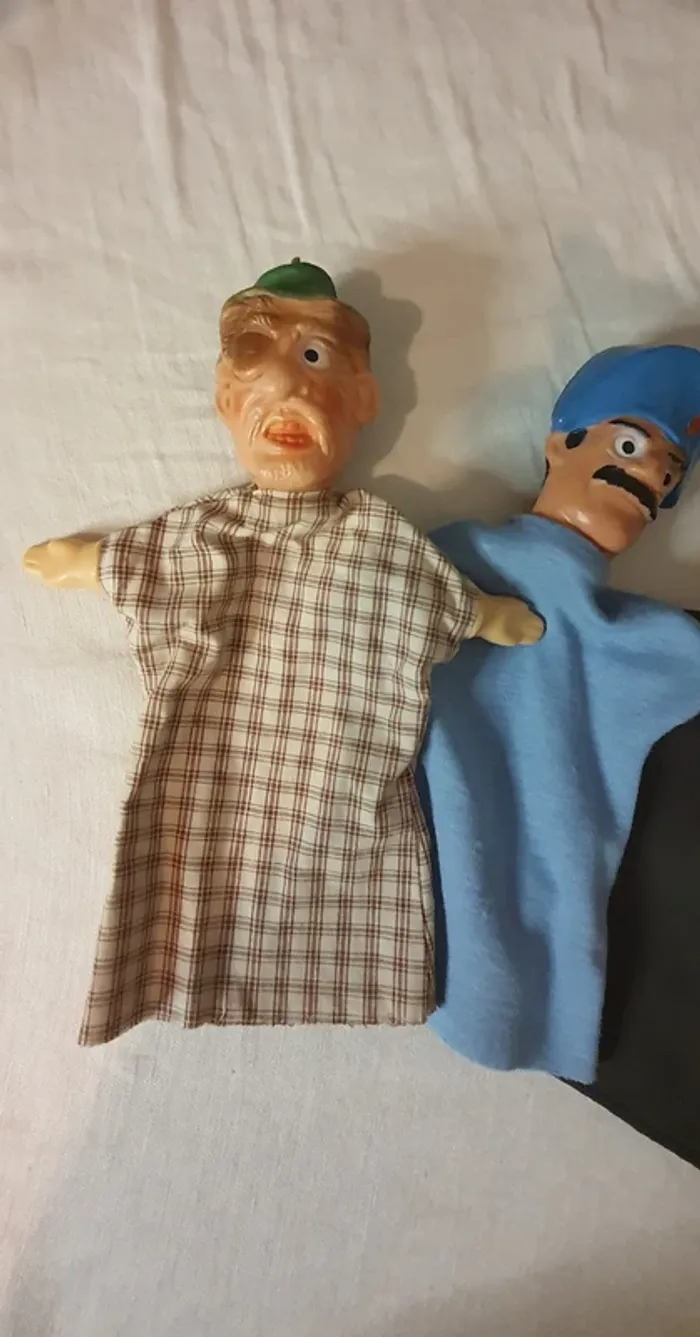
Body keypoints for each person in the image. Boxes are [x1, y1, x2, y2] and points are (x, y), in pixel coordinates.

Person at [23, 259, 542, 1045]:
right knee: (195, 870)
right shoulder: (203, 534)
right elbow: (126, 560)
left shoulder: (378, 538)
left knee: (347, 867)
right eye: (258, 372)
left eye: (314, 360)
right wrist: (90, 560)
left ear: (362, 400)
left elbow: (447, 602)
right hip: (207, 802)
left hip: (341, 810)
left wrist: (487, 613)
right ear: (226, 403)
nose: (287, 390)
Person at [416, 344, 700, 1083]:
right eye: (631, 445)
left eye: (670, 472)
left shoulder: (650, 639)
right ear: (558, 444)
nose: (649, 475)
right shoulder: (452, 556)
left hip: (559, 947)